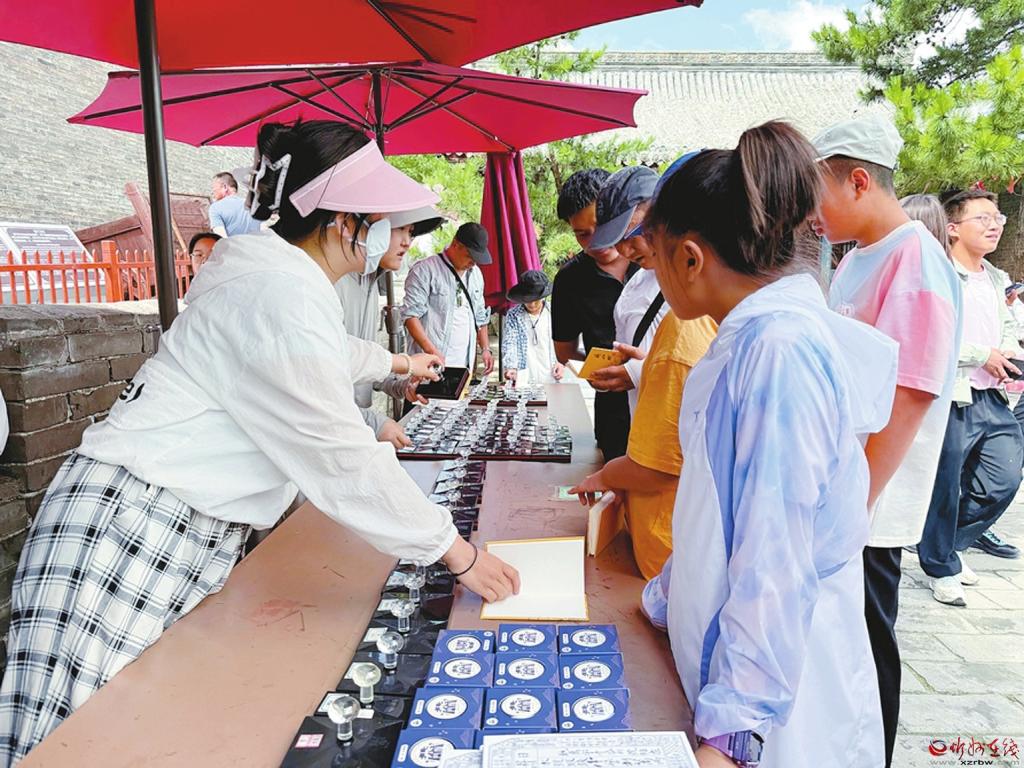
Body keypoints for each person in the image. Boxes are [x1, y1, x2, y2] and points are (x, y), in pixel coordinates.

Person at [0, 120, 519, 765]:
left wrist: (396, 363)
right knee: (74, 740)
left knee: (136, 726)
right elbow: (341, 458)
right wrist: (455, 552)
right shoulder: (277, 291)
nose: (399, 235)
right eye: (387, 220)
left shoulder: (275, 274)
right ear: (343, 223)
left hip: (159, 516)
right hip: (129, 527)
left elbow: (321, 353)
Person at [648, 120, 895, 768]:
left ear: (691, 258)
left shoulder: (777, 352)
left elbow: (774, 561)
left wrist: (731, 739)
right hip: (749, 670)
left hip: (781, 702)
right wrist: (661, 600)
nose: (654, 273)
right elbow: (721, 522)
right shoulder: (758, 338)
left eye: (655, 256)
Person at [811, 115, 961, 767]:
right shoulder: (856, 257)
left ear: (858, 181)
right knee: (844, 643)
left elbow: (913, 390)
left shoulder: (915, 257)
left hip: (872, 495)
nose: (810, 213)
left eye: (816, 193)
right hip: (846, 482)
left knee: (870, 645)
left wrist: (860, 498)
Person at [917, 188, 1022, 602]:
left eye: (999, 218)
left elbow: (1007, 325)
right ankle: (940, 566)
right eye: (984, 218)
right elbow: (931, 337)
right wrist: (983, 354)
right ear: (953, 228)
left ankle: (947, 543)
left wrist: (1008, 351)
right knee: (945, 484)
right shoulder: (940, 274)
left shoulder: (995, 277)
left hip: (993, 395)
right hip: (954, 393)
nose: (995, 225)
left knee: (1004, 478)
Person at [335, 205, 445, 448]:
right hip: (336, 430)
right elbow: (321, 383)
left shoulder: (369, 283)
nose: (407, 242)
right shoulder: (335, 283)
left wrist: (402, 385)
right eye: (400, 229)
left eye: (411, 232)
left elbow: (367, 364)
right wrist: (375, 423)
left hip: (354, 431)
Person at [550, 168, 636, 460]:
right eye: (582, 234)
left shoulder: (654, 263)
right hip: (613, 414)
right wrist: (597, 367)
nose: (596, 241)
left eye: (603, 226)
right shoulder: (569, 280)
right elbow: (565, 352)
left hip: (666, 407)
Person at [588, 166, 671, 417]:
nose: (625, 251)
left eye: (633, 234)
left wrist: (641, 371)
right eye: (617, 241)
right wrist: (612, 372)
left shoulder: (701, 286)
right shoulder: (631, 293)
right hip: (644, 430)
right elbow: (626, 357)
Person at [402, 223, 495, 377]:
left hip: (464, 365)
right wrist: (432, 351)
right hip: (430, 365)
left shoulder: (476, 274)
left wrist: (485, 349)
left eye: (477, 258)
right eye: (470, 256)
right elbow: (410, 316)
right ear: (456, 244)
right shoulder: (425, 270)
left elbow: (480, 316)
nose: (473, 262)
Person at [502, 270, 564, 386]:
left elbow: (564, 340)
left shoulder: (555, 312)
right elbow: (510, 342)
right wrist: (511, 367)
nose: (532, 304)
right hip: (525, 376)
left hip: (551, 374)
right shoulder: (514, 315)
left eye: (536, 300)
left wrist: (561, 363)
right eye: (528, 300)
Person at [209, 171, 261, 236]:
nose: (212, 192)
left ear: (225, 187)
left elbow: (221, 238)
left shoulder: (215, 208)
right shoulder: (253, 206)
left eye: (213, 188)